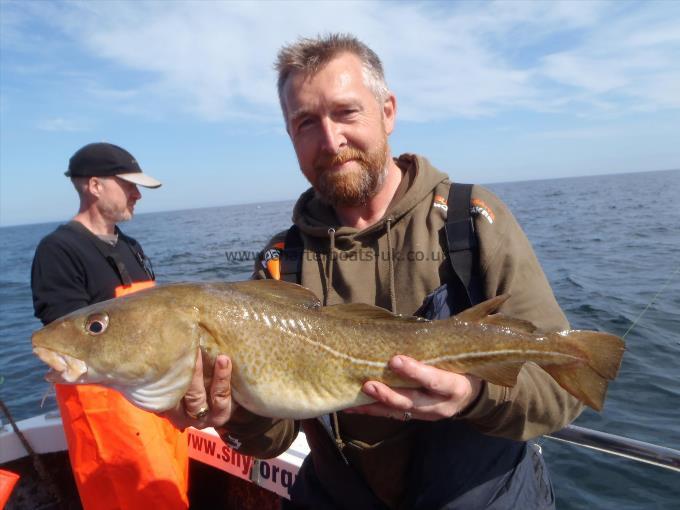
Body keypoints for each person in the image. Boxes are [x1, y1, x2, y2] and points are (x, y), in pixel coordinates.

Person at [175, 34, 583, 509]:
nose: (331, 140)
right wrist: (233, 415)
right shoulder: (280, 263)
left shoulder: (470, 219)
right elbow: (274, 436)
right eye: (306, 123)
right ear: (291, 137)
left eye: (346, 112)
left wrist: (474, 395)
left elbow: (561, 388)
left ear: (387, 111)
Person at [31, 143, 190, 510]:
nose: (137, 194)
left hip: (157, 407)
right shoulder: (58, 250)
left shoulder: (130, 246)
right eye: (128, 184)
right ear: (95, 185)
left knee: (173, 495)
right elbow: (67, 345)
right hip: (109, 421)